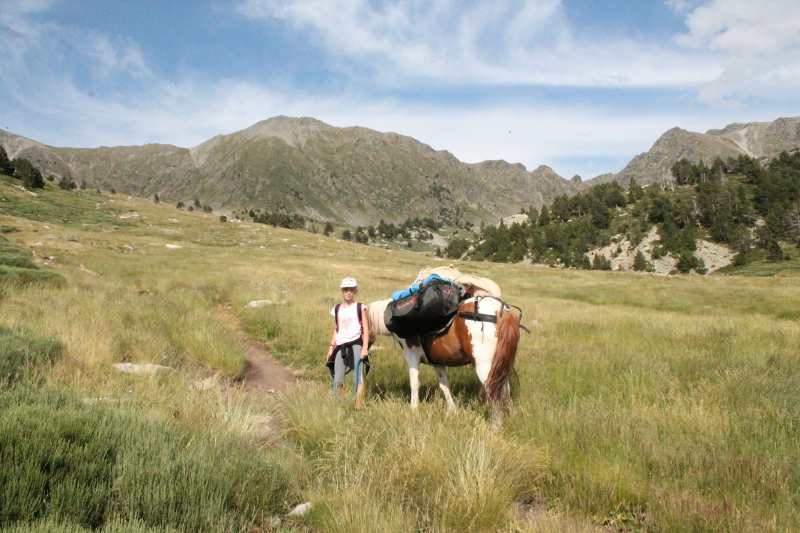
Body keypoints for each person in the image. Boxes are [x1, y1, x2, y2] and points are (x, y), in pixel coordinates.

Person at [326, 277, 370, 408]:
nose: (348, 292)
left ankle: (359, 406)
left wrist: (365, 348)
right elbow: (337, 328)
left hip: (356, 344)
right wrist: (331, 348)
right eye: (345, 289)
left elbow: (366, 328)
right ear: (342, 291)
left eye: (351, 289)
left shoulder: (360, 307)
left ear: (355, 291)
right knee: (338, 378)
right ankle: (340, 405)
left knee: (359, 377)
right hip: (340, 346)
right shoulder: (337, 308)